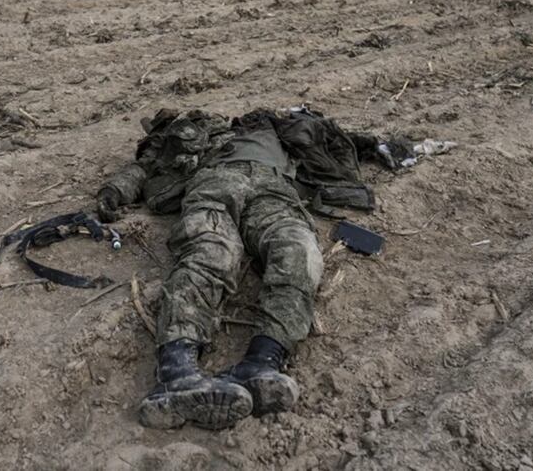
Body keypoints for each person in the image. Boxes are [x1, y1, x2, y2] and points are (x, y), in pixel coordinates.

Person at [96, 106, 414, 430]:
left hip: (274, 189)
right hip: (214, 184)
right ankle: (176, 373)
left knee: (298, 250)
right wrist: (115, 191)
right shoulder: (203, 134)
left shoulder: (280, 131)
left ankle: (262, 362)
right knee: (210, 253)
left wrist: (382, 146)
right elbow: (147, 165)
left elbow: (338, 139)